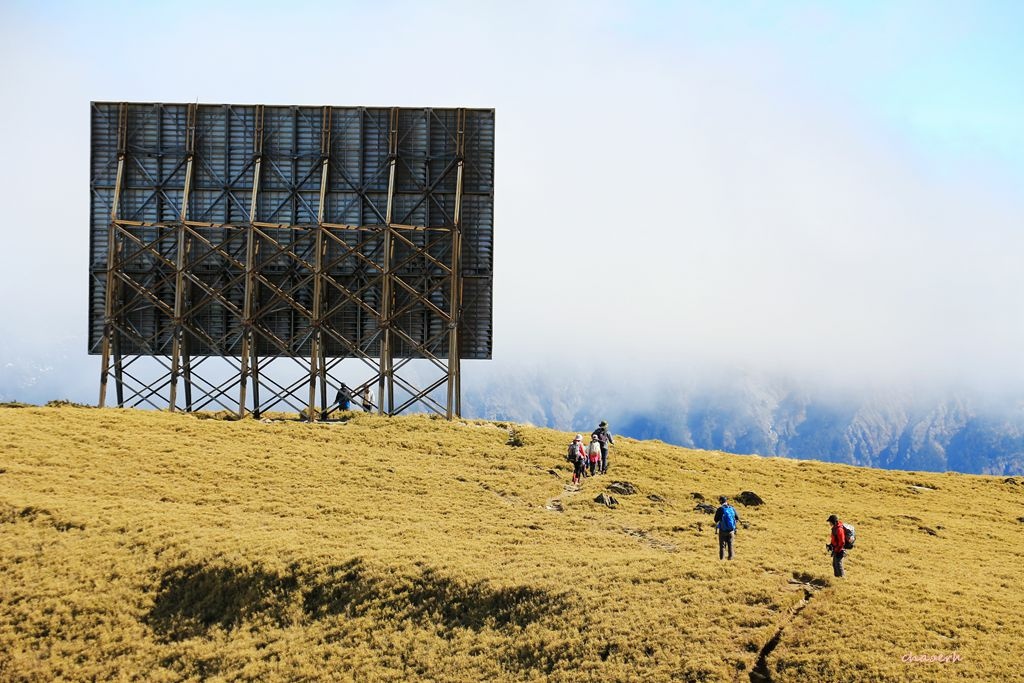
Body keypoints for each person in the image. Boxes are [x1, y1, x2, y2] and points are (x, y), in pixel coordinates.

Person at [714, 496, 739, 560]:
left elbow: (715, 519)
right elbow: (737, 518)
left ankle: (722, 560)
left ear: (720, 502)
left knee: (722, 546)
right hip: (731, 531)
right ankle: (730, 559)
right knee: (730, 545)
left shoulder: (720, 509)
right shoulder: (732, 508)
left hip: (723, 530)